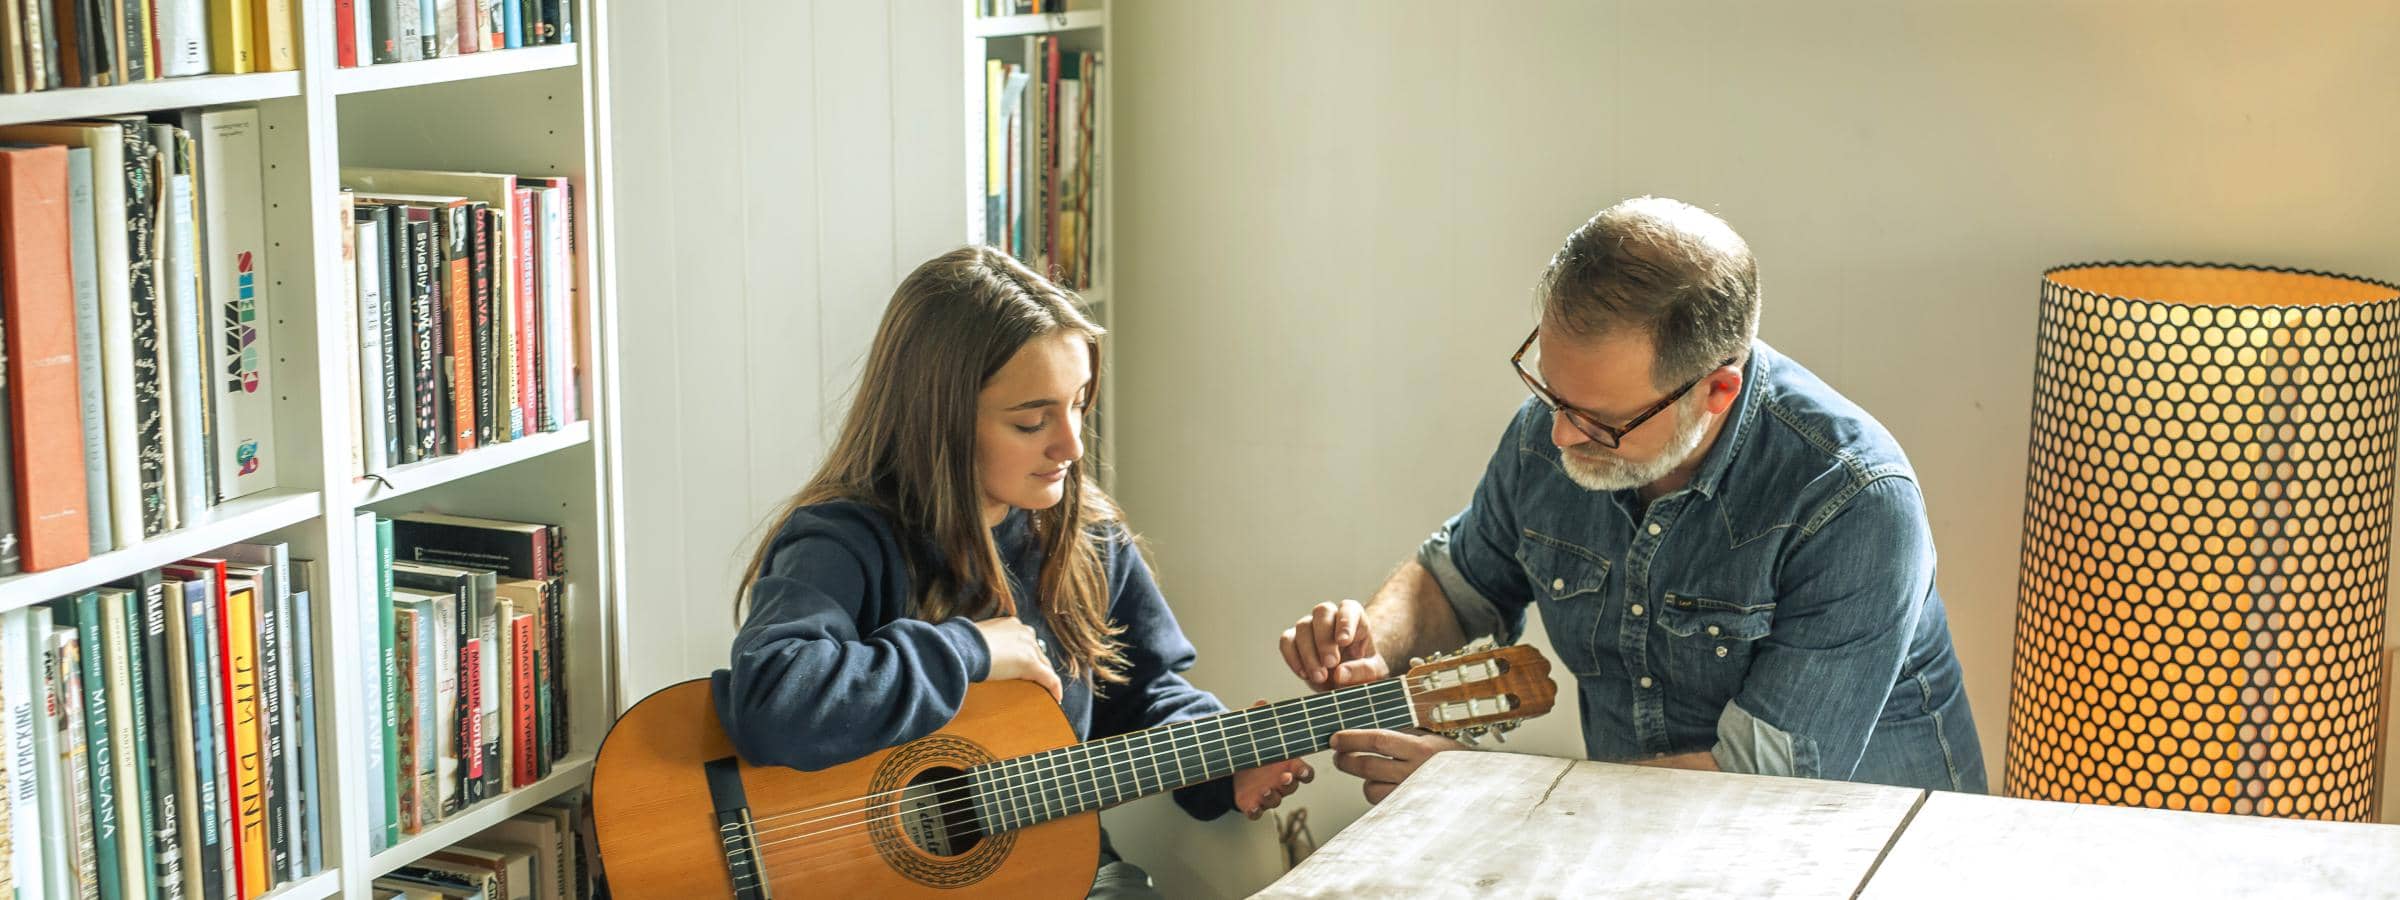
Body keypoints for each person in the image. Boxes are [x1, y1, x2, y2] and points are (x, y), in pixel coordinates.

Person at [1281, 196, 1985, 804]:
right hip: (1621, 845)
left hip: (1855, 859)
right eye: (1551, 393)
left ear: (1717, 392)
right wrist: (1372, 641)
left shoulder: (1852, 498)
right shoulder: (1554, 434)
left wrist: (1486, 795)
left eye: (1601, 421)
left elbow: (1755, 787)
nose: (1558, 434)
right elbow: (1456, 581)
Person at [717, 246, 1311, 898]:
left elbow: (1142, 694)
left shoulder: (1089, 537)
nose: (1071, 446)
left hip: (1056, 869)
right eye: (1032, 421)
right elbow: (771, 698)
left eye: (1079, 403)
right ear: (938, 422)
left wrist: (1224, 768)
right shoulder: (846, 538)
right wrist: (969, 650)